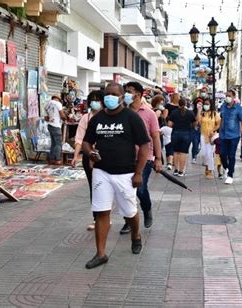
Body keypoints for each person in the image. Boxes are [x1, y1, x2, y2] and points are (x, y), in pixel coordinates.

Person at [82, 83, 150, 269]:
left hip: (126, 173)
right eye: (107, 94)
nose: (109, 97)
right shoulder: (97, 119)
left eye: (114, 94)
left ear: (121, 97)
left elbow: (144, 146)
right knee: (101, 212)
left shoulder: (131, 117)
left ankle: (135, 235)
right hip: (101, 172)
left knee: (129, 212)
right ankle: (101, 253)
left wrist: (138, 173)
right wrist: (90, 153)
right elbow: (86, 143)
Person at [119, 81, 162, 234]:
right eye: (126, 91)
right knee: (125, 192)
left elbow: (156, 137)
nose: (126, 94)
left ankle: (147, 209)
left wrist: (158, 158)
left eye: (129, 91)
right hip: (125, 158)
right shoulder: (122, 112)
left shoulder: (149, 113)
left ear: (138, 94)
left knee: (140, 189)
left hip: (145, 158)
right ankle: (129, 221)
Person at [71, 90, 104, 231]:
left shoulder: (108, 117)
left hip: (107, 157)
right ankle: (97, 219)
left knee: (108, 187)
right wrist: (75, 156)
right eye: (93, 100)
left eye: (98, 99)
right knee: (94, 187)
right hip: (89, 156)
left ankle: (108, 217)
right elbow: (79, 138)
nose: (95, 102)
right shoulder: (86, 117)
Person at [219, 90, 242, 184]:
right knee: (222, 154)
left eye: (229, 95)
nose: (227, 97)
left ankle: (230, 175)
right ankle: (227, 168)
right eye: (226, 95)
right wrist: (219, 132)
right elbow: (222, 120)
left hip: (234, 136)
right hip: (223, 135)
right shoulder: (223, 107)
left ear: (234, 97)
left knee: (231, 155)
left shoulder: (239, 109)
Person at [169, 98, 196, 176]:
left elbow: (170, 124)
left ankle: (176, 170)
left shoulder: (174, 113)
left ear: (178, 104)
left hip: (175, 134)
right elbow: (194, 124)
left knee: (176, 152)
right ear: (186, 104)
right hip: (187, 134)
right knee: (183, 153)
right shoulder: (190, 113)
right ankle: (181, 171)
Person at [196, 98, 221, 179]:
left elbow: (218, 124)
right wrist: (199, 110)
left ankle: (209, 170)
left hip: (211, 136)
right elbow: (198, 122)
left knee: (209, 153)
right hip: (203, 135)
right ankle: (207, 166)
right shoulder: (203, 113)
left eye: (207, 104)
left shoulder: (215, 114)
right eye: (205, 104)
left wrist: (213, 130)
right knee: (204, 153)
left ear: (211, 105)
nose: (206, 105)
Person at [44, 95, 66, 165]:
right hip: (56, 125)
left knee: (53, 143)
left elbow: (46, 116)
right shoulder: (58, 104)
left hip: (50, 125)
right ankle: (57, 159)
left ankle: (51, 159)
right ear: (58, 99)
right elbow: (62, 115)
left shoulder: (47, 104)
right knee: (58, 143)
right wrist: (65, 118)